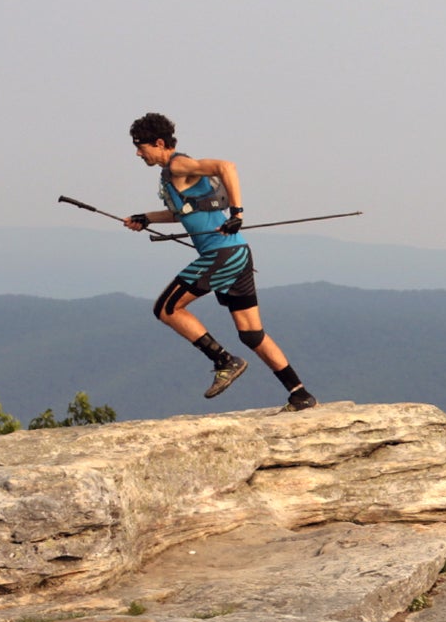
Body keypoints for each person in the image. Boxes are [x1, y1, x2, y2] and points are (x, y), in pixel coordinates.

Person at [123, 113, 315, 410]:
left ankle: (225, 361)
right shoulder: (170, 175)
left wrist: (237, 214)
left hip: (221, 255)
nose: (137, 152)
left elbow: (227, 167)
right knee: (252, 333)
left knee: (166, 308)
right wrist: (146, 217)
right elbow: (182, 213)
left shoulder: (178, 164)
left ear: (159, 143)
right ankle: (300, 394)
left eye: (140, 145)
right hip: (238, 253)